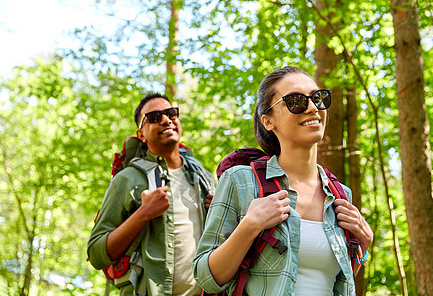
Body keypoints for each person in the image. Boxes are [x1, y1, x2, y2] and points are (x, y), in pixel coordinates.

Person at [193, 66, 373, 295]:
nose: (312, 107)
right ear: (268, 121)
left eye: (318, 98)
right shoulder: (241, 181)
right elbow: (205, 277)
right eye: (295, 101)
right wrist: (250, 226)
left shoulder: (340, 195)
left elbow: (336, 281)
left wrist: (363, 246)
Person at [88, 93, 215, 296]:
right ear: (141, 135)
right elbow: (96, 254)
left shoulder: (202, 176)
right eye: (154, 117)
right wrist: (143, 214)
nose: (166, 119)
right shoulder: (127, 180)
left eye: (171, 113)